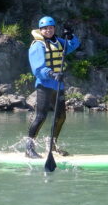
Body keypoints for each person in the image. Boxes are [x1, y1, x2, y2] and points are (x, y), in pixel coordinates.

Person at [24, 15, 80, 158]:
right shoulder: (37, 45)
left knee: (61, 116)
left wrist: (70, 35)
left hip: (58, 86)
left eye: (50, 28)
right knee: (41, 116)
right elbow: (37, 69)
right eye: (45, 28)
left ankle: (52, 145)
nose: (48, 30)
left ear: (54, 28)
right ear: (40, 30)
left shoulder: (59, 42)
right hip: (44, 85)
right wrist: (52, 74)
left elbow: (74, 45)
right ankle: (28, 148)